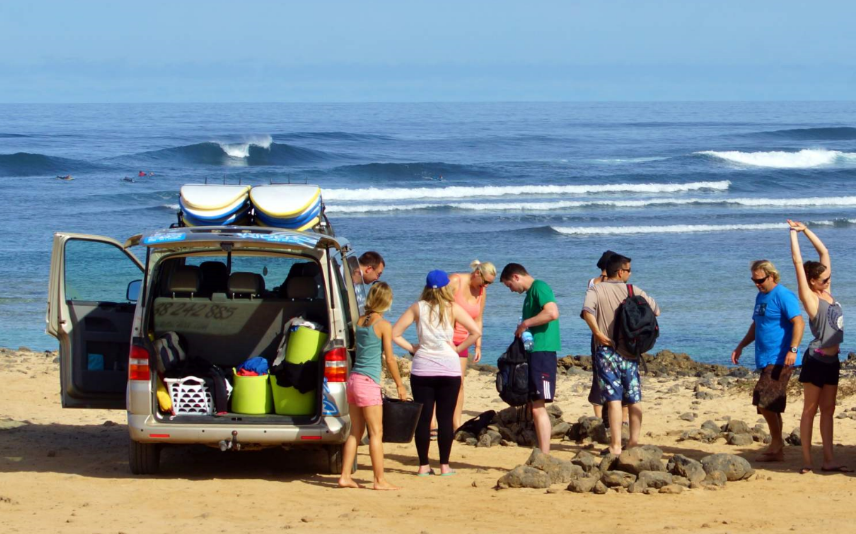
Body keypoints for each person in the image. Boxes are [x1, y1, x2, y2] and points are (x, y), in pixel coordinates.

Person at [392, 270, 481, 476]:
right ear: (445, 288)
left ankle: (423, 466)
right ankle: (445, 466)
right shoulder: (452, 308)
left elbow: (395, 334)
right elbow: (475, 332)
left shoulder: (418, 308)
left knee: (423, 419)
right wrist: (458, 350)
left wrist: (413, 348)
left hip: (423, 368)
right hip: (448, 368)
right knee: (445, 418)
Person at [581, 254, 660, 456]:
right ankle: (633, 442)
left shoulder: (595, 289)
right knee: (634, 398)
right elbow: (656, 311)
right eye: (628, 270)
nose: (630, 273)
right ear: (620, 271)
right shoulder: (633, 290)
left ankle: (615, 445)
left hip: (607, 351)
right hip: (630, 352)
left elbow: (587, 311)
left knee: (613, 399)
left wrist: (597, 333)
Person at [788, 220, 847, 473]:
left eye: (828, 278)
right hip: (816, 359)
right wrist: (793, 234)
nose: (827, 281)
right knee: (810, 411)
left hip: (833, 361)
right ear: (812, 282)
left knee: (829, 410)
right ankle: (808, 463)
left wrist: (806, 230)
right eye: (823, 280)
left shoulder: (828, 291)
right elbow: (797, 263)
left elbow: (824, 253)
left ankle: (829, 460)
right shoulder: (810, 299)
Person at [731, 259, 804, 463]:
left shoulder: (783, 295)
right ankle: (777, 450)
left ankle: (777, 443)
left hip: (781, 358)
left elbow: (798, 322)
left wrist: (793, 349)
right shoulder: (760, 297)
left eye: (760, 280)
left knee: (764, 402)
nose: (757, 284)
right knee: (771, 404)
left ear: (771, 276)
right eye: (754, 280)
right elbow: (756, 325)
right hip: (764, 359)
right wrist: (741, 346)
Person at [338, 283, 408, 490]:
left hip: (353, 380)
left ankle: (344, 476)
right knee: (376, 432)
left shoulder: (360, 321)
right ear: (386, 301)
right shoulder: (383, 325)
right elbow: (390, 359)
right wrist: (399, 384)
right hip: (368, 382)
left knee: (355, 432)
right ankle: (379, 480)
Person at [500, 263, 561, 454]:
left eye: (509, 285)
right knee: (535, 405)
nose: (511, 290)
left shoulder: (539, 287)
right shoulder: (529, 296)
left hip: (543, 351)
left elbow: (552, 312)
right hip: (535, 352)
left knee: (538, 406)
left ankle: (544, 453)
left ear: (516, 277)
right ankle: (543, 451)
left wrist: (526, 323)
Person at [448, 260, 495, 431]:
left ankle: (456, 423)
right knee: (439, 381)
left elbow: (478, 319)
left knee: (458, 383)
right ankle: (433, 423)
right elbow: (438, 306)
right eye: (486, 282)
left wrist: (478, 345)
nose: (487, 286)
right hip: (444, 339)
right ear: (477, 273)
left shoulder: (481, 292)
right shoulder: (455, 281)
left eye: (490, 283)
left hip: (463, 340)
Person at [585, 250, 629, 427]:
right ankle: (623, 419)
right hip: (620, 336)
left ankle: (598, 420)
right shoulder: (622, 285)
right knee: (623, 375)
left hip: (599, 335)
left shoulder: (593, 284)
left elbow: (588, 311)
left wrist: (596, 331)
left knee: (599, 376)